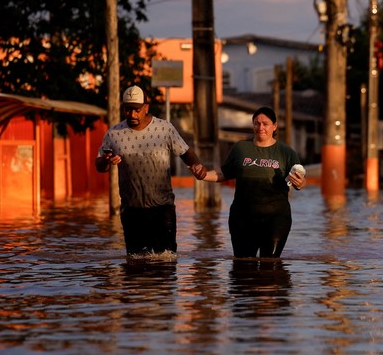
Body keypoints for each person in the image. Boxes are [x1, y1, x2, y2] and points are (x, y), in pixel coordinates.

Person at [95, 85, 207, 256]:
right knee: (135, 264)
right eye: (128, 109)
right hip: (132, 210)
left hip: (162, 209)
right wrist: (106, 160)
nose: (132, 115)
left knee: (166, 261)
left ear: (146, 108)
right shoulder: (114, 134)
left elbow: (185, 152)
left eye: (136, 110)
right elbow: (100, 166)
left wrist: (197, 166)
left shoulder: (164, 129)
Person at [202, 106, 306, 258]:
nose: (260, 127)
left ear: (274, 126)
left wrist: (300, 183)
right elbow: (225, 172)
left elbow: (301, 181)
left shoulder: (286, 152)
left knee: (270, 268)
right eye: (256, 123)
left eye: (265, 123)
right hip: (242, 217)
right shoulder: (241, 148)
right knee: (243, 267)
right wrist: (203, 174)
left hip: (276, 217)